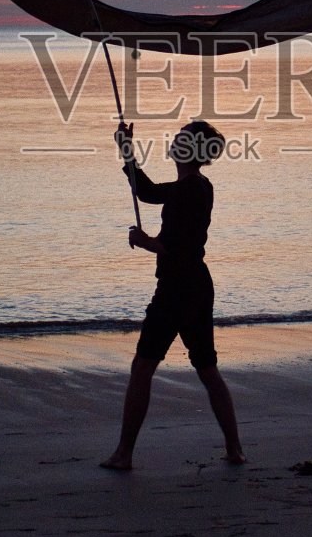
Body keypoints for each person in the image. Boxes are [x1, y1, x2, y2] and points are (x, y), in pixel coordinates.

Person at [101, 119, 245, 471]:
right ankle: (235, 449)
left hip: (178, 290)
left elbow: (176, 246)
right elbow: (149, 193)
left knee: (144, 367)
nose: (174, 141)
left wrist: (147, 242)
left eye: (181, 139)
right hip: (195, 286)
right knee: (207, 369)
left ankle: (124, 454)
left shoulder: (191, 190)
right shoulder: (197, 187)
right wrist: (126, 150)